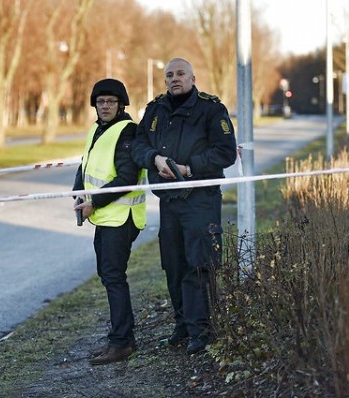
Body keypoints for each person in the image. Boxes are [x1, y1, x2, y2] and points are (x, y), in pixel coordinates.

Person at [131, 58, 237, 355]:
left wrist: (189, 168)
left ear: (192, 77)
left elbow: (226, 152)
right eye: (169, 75)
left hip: (200, 198)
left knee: (199, 264)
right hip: (169, 200)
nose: (174, 79)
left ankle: (201, 331)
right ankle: (182, 327)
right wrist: (155, 158)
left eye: (180, 74)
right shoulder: (155, 110)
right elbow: (138, 145)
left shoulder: (211, 108)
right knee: (174, 264)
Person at [73, 78, 147, 366]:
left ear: (121, 105)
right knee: (109, 276)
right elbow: (86, 163)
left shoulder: (127, 131)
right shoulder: (96, 129)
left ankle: (121, 343)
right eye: (100, 101)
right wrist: (77, 192)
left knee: (114, 277)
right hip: (105, 217)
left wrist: (94, 202)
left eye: (110, 102)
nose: (105, 106)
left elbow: (126, 178)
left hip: (121, 218)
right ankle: (122, 338)